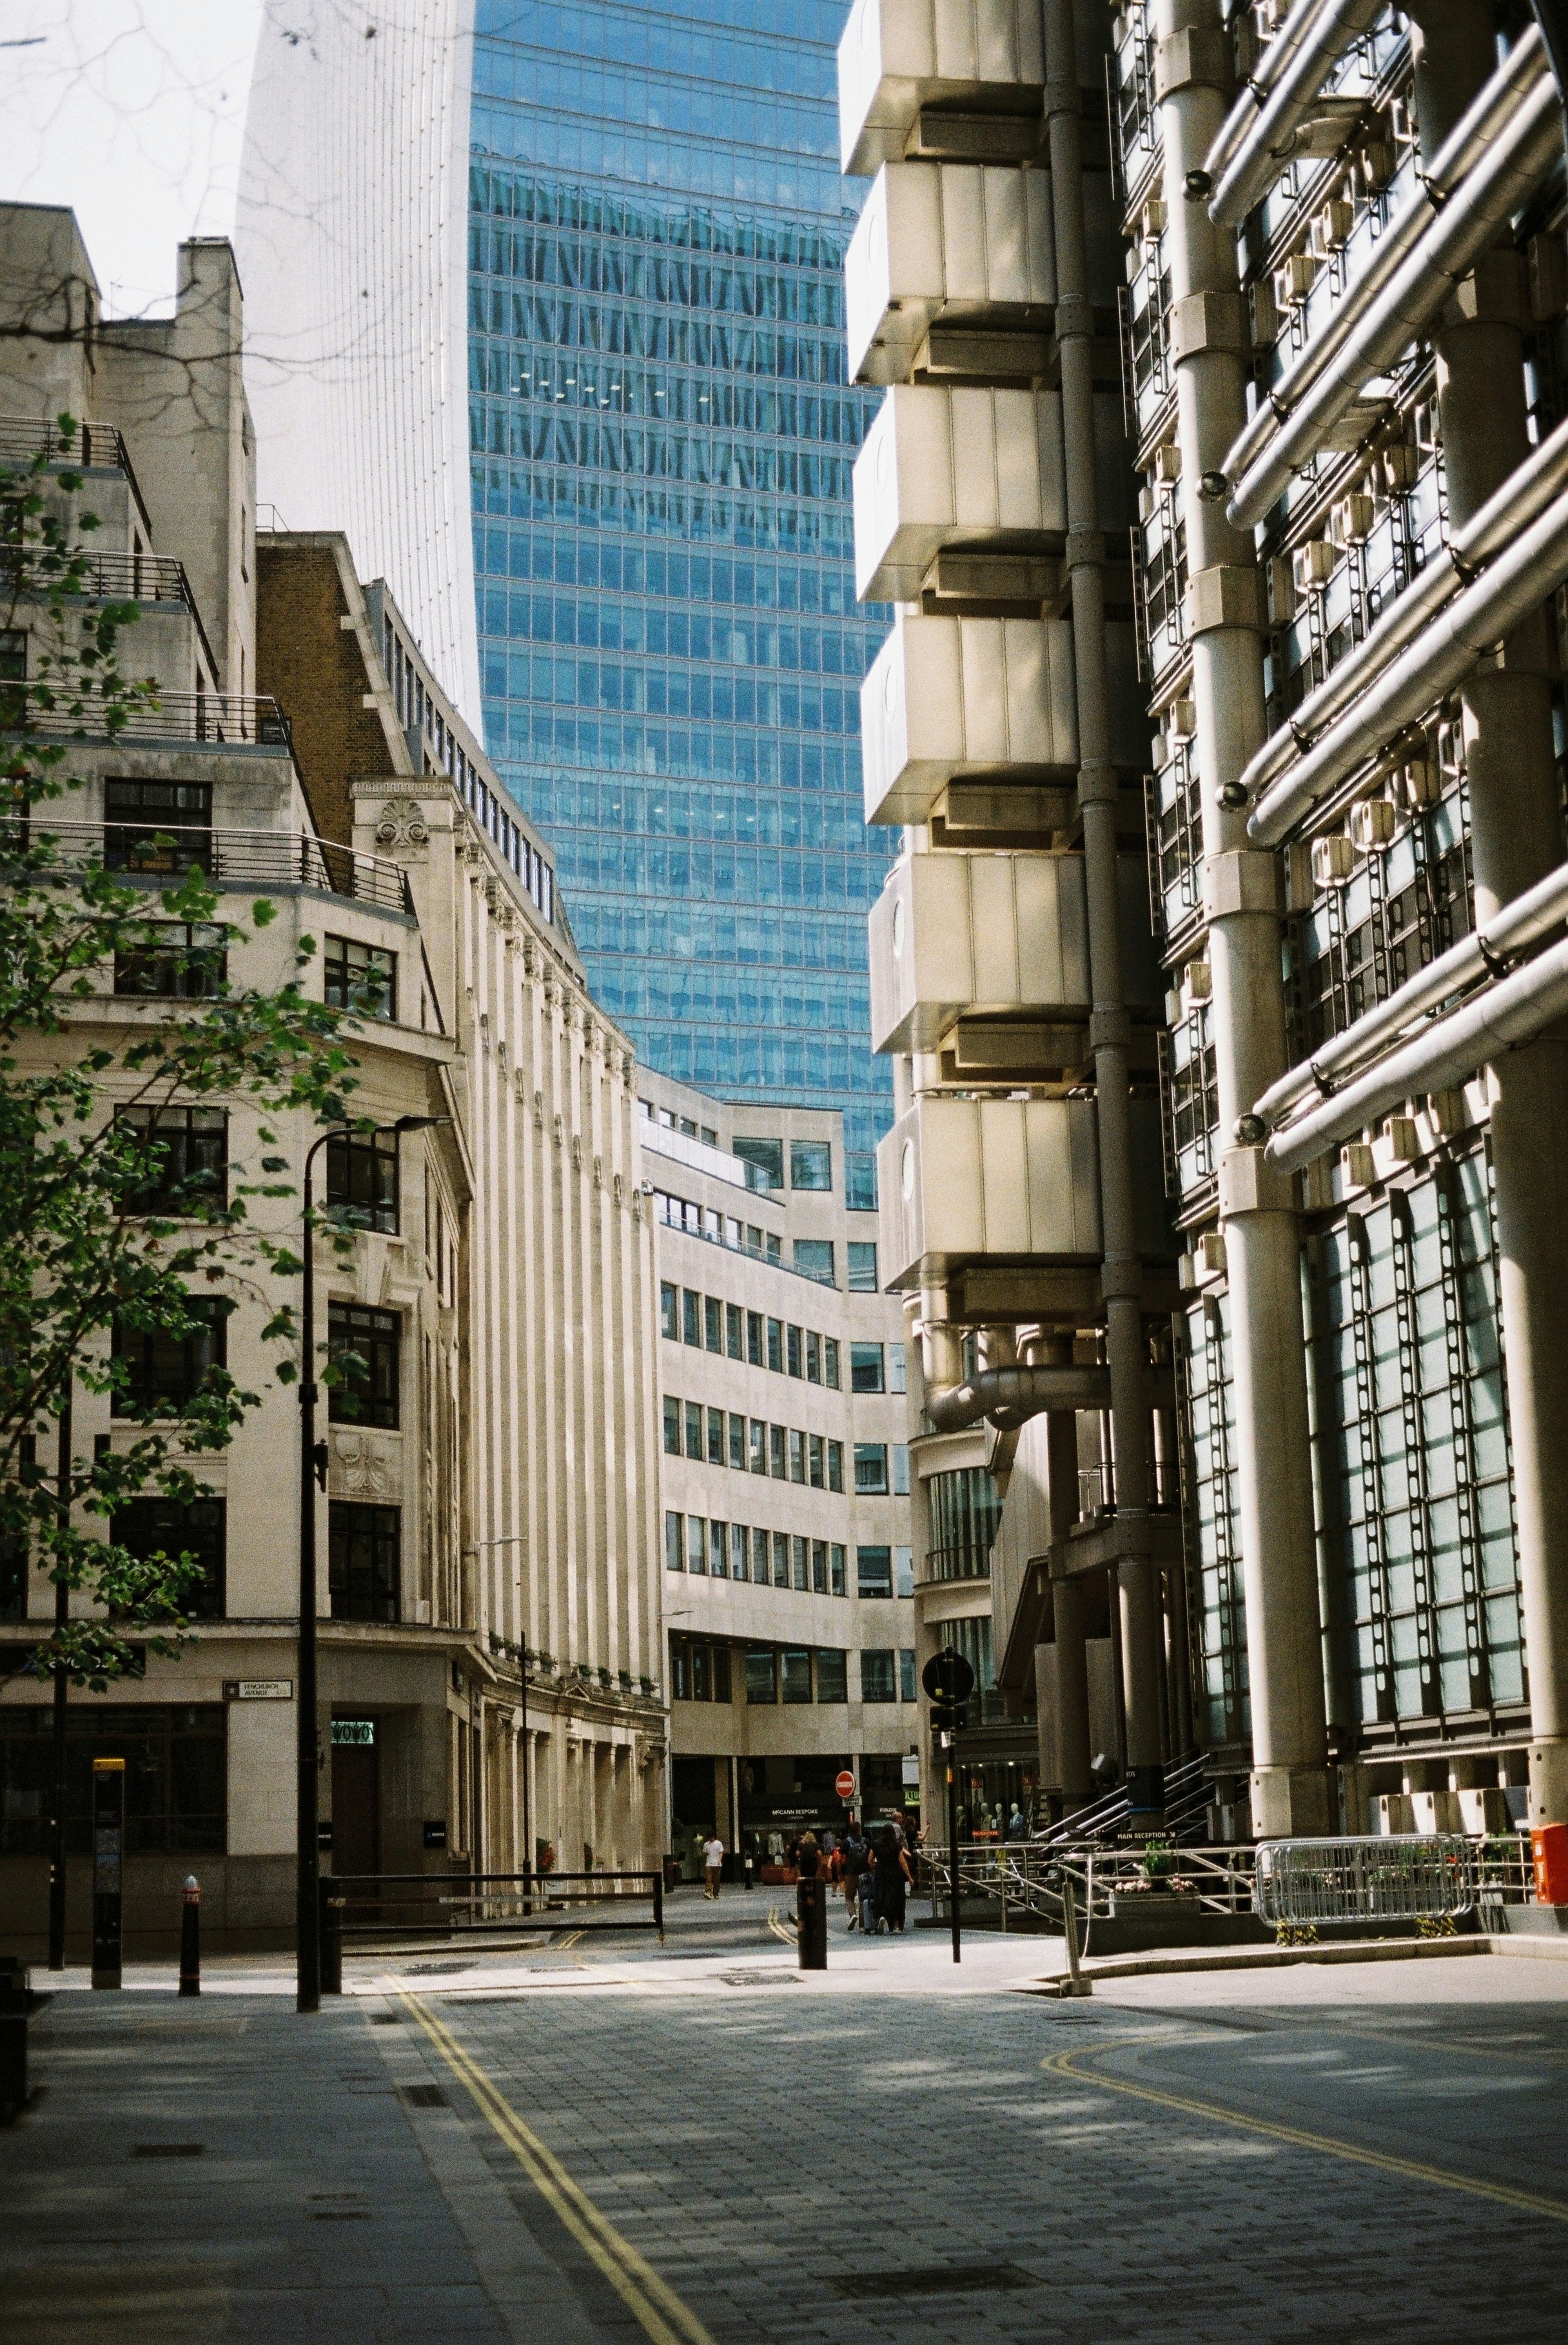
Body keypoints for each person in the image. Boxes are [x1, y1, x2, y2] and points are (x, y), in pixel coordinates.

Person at [873, 1823, 914, 1933]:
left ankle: (883, 1916)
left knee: (881, 1894)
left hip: (881, 1873)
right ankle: (896, 1926)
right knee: (897, 1899)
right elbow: (902, 1861)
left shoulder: (876, 1844)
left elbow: (869, 1860)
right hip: (895, 1873)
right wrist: (909, 1877)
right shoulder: (897, 1845)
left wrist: (875, 1869)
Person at [843, 1825, 868, 1929]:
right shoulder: (866, 1841)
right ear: (859, 1830)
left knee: (849, 1897)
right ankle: (862, 1925)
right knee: (863, 1899)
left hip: (851, 1874)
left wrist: (840, 1873)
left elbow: (841, 1858)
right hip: (864, 1874)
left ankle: (853, 1915)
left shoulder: (846, 1842)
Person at [701, 1831, 725, 1900]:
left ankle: (716, 1893)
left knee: (716, 1879)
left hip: (717, 1864)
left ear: (713, 1837)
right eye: (709, 1838)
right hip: (709, 1863)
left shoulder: (718, 1843)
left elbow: (721, 1852)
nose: (710, 1839)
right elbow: (705, 1853)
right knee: (708, 1878)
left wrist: (719, 1860)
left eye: (711, 1838)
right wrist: (708, 1857)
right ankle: (708, 1892)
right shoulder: (706, 1844)